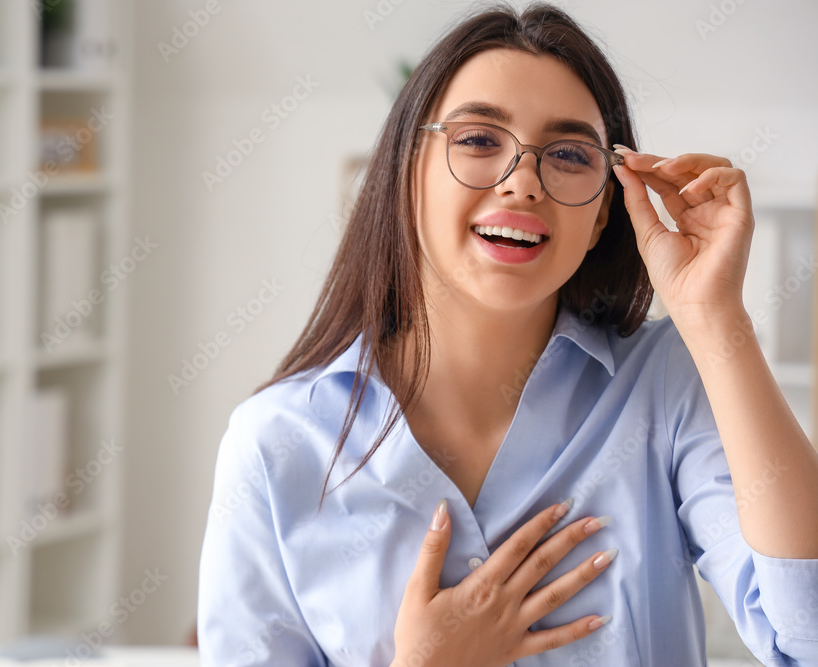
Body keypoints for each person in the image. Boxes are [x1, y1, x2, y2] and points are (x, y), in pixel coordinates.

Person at [196, 3, 818, 665]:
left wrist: (716, 315)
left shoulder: (665, 385)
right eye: (476, 140)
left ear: (606, 207)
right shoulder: (274, 445)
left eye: (570, 154)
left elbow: (805, 634)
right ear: (408, 171)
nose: (523, 182)